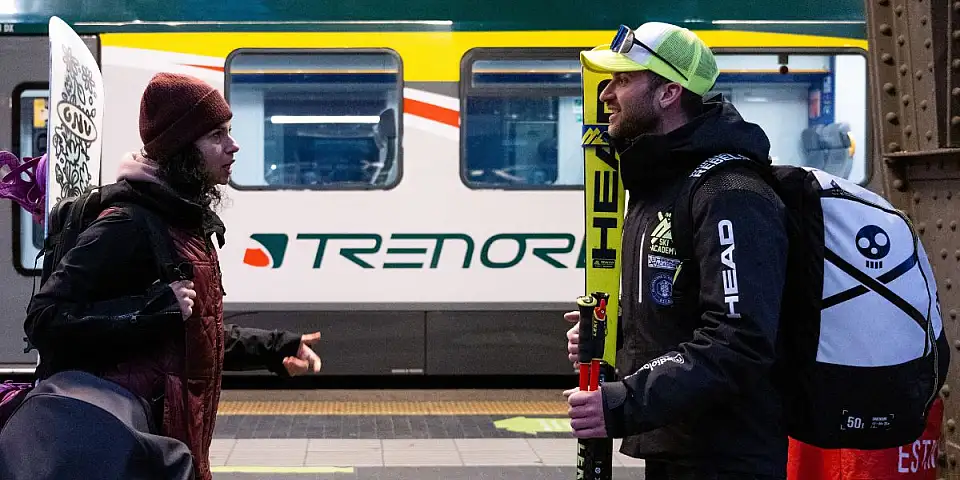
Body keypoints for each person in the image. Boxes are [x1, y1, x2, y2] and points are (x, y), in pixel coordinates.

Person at [21, 72, 323, 480]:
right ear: (182, 147)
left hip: (171, 450)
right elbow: (45, 319)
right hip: (132, 450)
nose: (232, 146)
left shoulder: (183, 222)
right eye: (217, 135)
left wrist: (275, 347)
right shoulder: (127, 224)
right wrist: (151, 309)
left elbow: (190, 331)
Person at [564, 22, 790, 479]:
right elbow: (681, 307)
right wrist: (617, 335)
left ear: (668, 92)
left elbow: (738, 339)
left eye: (623, 80)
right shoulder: (658, 188)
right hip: (678, 446)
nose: (606, 93)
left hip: (727, 458)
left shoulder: (729, 191)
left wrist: (625, 402)